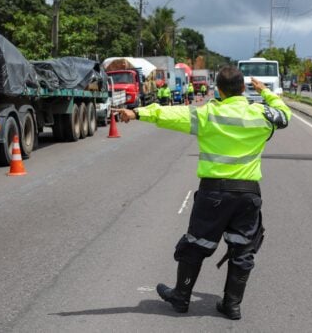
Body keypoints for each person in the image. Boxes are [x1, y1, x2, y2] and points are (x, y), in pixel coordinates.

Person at [113, 66, 291, 320]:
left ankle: (181, 297)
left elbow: (169, 114)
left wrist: (137, 112)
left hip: (214, 193)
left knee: (196, 244)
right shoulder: (261, 115)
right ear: (243, 88)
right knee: (242, 250)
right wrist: (268, 94)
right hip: (248, 194)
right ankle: (231, 305)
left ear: (218, 90)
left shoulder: (208, 114)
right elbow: (284, 116)